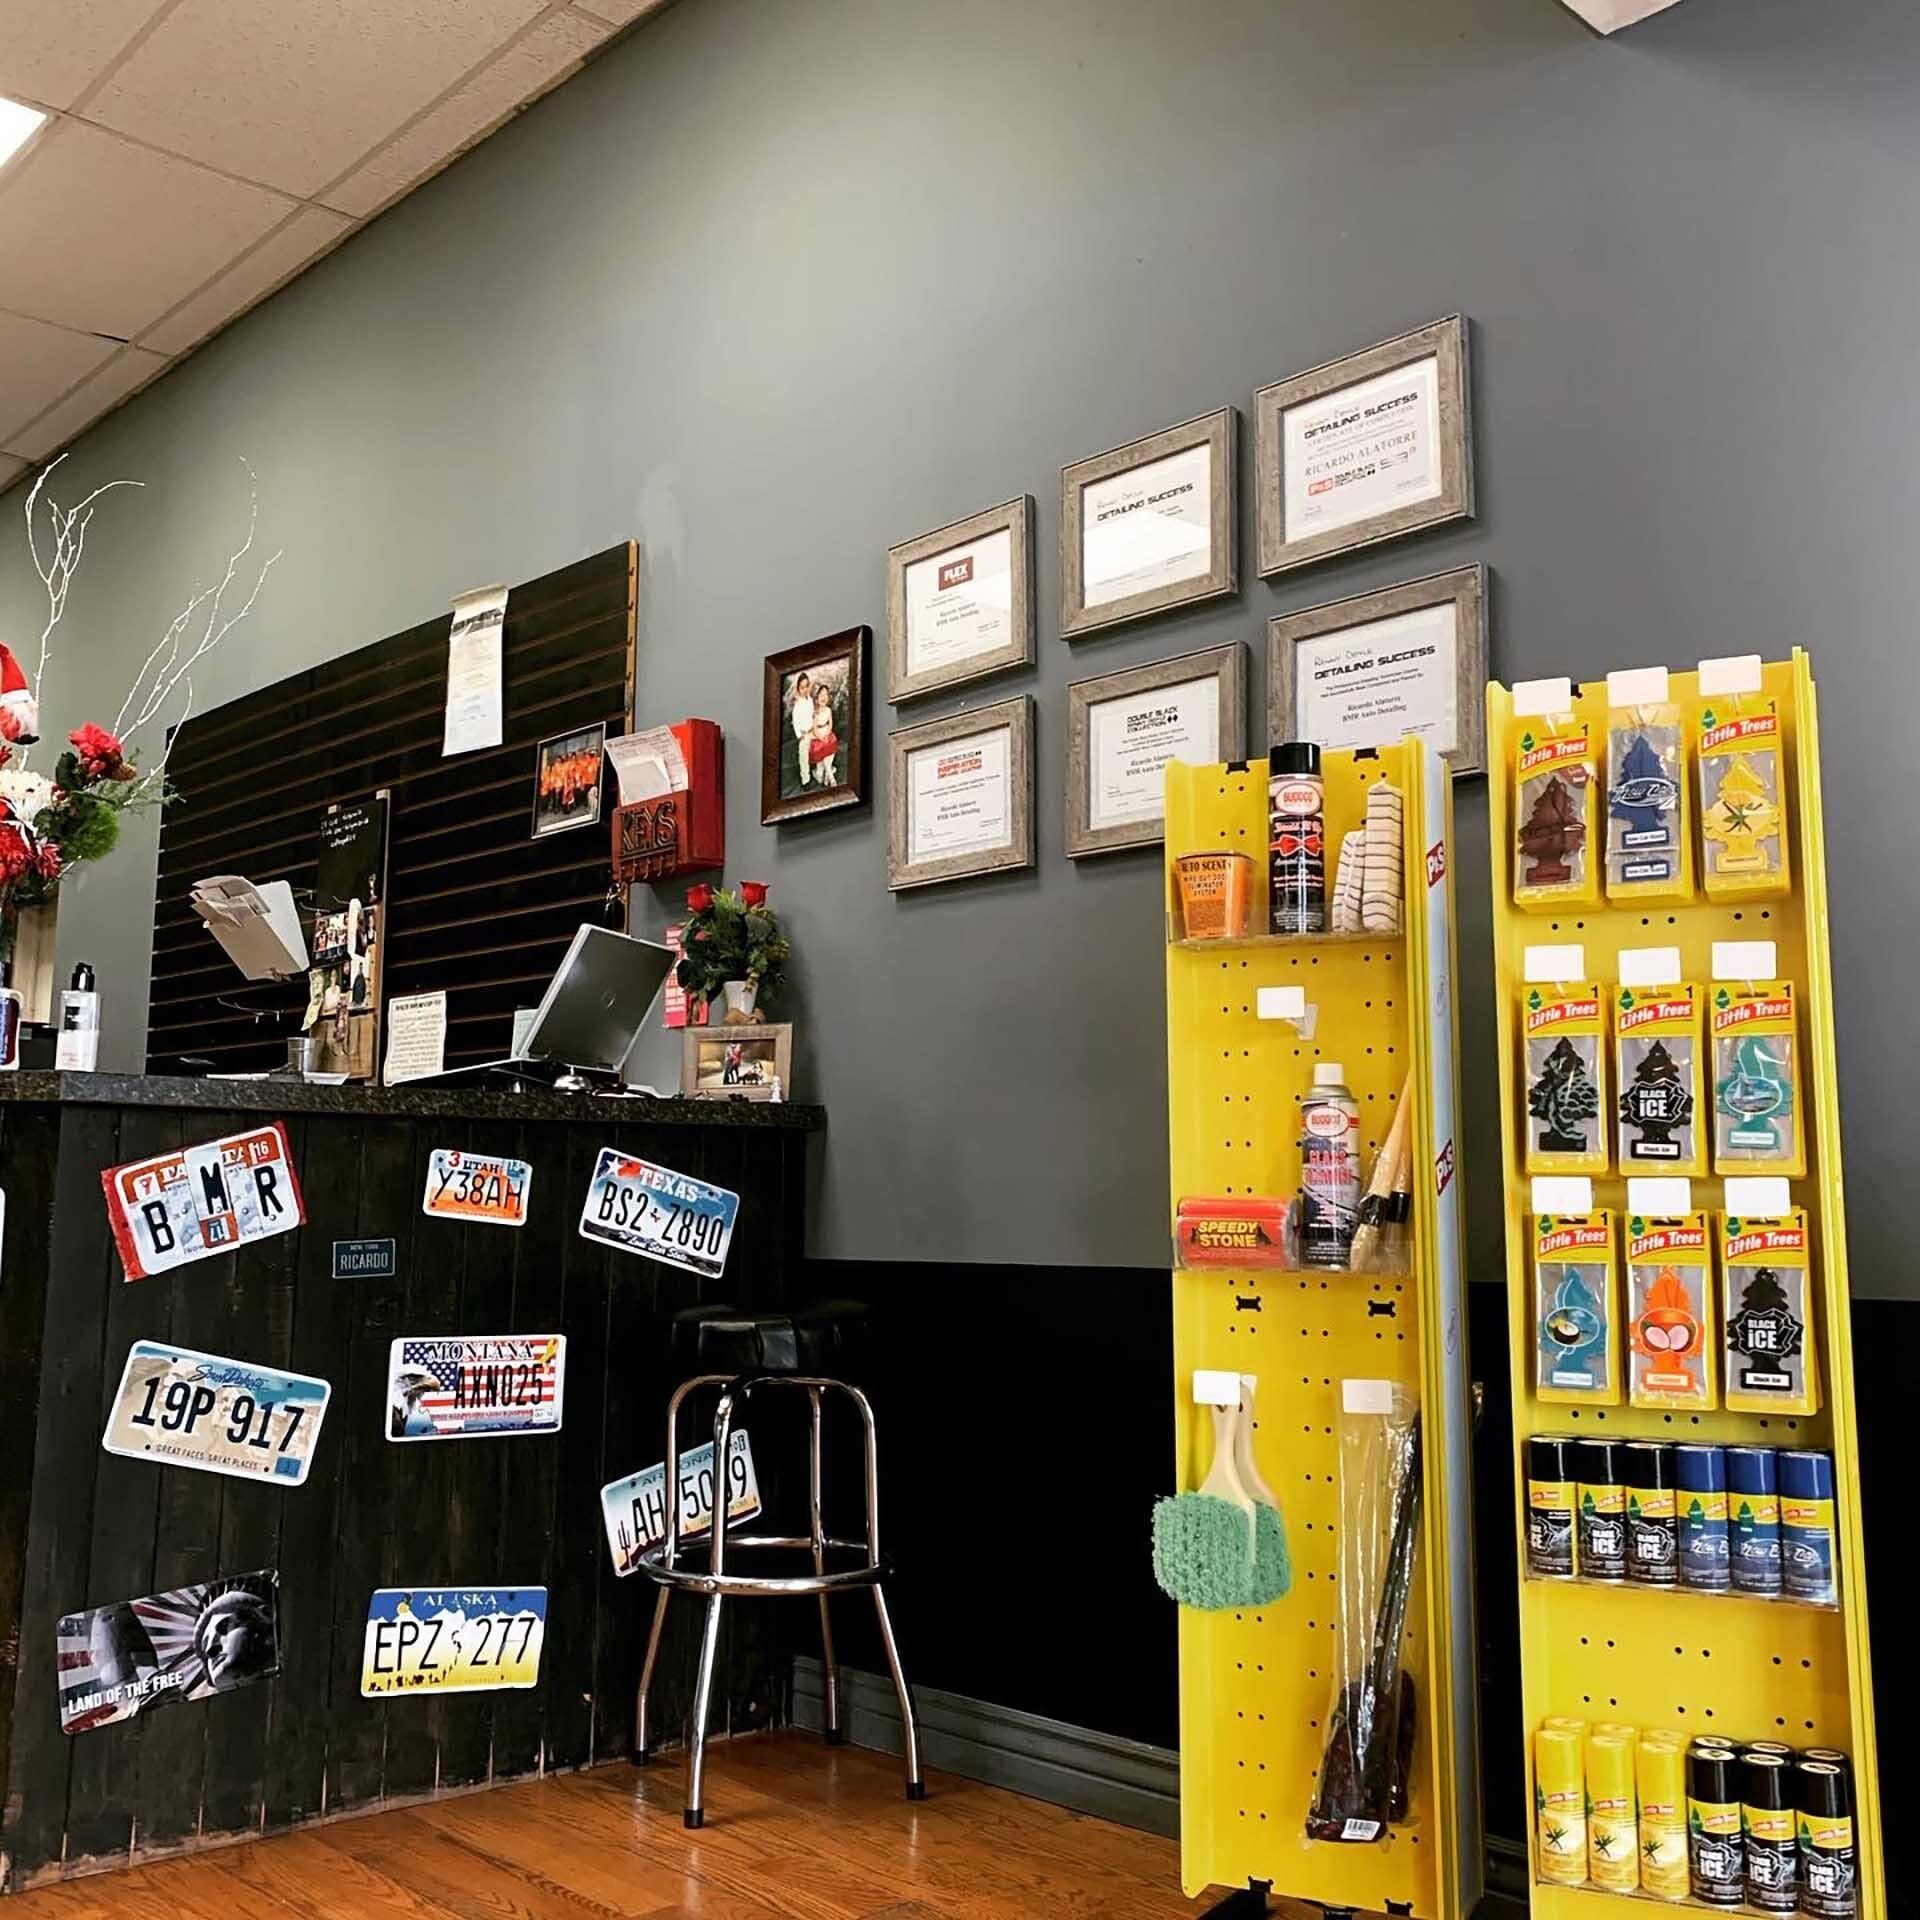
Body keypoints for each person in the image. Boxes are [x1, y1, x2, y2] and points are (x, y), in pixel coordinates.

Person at [788, 671, 815, 788]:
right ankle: (805, 780)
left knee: (815, 750)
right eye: (802, 687)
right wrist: (800, 735)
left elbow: (812, 715)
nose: (805, 690)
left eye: (806, 686)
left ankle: (818, 770)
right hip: (804, 734)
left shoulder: (810, 700)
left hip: (812, 730)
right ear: (798, 689)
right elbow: (795, 722)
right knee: (803, 757)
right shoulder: (798, 704)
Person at [809, 689, 839, 788]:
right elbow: (814, 729)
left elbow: (830, 724)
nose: (823, 697)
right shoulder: (815, 712)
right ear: (816, 699)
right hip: (818, 736)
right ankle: (827, 772)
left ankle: (831, 778)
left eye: (825, 695)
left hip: (827, 733)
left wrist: (827, 734)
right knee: (819, 778)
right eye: (821, 695)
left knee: (827, 755)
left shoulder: (828, 710)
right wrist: (821, 738)